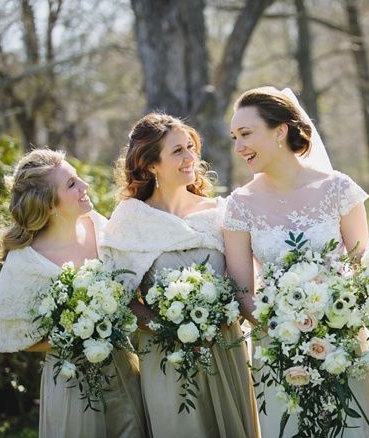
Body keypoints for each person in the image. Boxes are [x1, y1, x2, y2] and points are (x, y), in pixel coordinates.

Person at [222, 87, 369, 437]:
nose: (238, 147)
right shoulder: (239, 205)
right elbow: (242, 289)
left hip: (342, 342)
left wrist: (332, 323)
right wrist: (284, 330)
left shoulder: (339, 189)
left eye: (246, 134)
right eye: (234, 137)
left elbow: (361, 271)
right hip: (277, 348)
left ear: (280, 131)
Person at [100, 114, 259, 437]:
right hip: (166, 354)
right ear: (150, 165)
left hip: (223, 346)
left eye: (191, 147)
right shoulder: (131, 218)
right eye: (177, 151)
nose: (190, 158)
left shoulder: (219, 211)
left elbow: (242, 287)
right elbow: (119, 297)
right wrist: (168, 328)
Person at [0, 149, 146, 437]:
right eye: (72, 184)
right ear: (49, 204)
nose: (84, 187)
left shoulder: (98, 227)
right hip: (72, 381)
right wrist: (78, 334)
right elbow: (20, 338)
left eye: (78, 179)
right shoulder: (26, 261)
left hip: (123, 369)